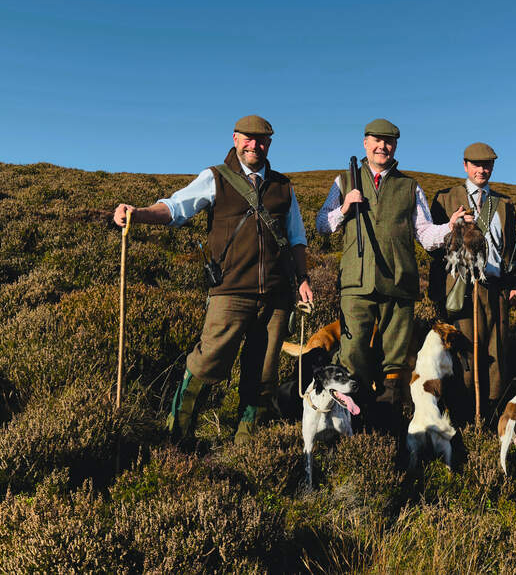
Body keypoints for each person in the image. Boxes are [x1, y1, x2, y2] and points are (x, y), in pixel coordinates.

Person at [113, 115, 313, 444]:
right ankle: (177, 438)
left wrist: (302, 278)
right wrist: (140, 213)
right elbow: (176, 208)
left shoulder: (283, 186)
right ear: (235, 139)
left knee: (264, 373)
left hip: (277, 295)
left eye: (261, 140)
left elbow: (296, 238)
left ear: (269, 144)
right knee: (207, 363)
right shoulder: (215, 177)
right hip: (231, 291)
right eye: (248, 138)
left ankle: (246, 445)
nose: (254, 145)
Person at [315, 118, 466, 434]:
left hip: (399, 284)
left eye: (389, 142)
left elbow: (425, 234)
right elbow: (322, 225)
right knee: (353, 355)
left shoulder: (410, 187)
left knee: (395, 359)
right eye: (377, 141)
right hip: (356, 284)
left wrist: (450, 227)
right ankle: (354, 425)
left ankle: (386, 428)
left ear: (395, 146)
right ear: (365, 143)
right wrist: (344, 208)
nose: (382, 146)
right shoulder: (345, 181)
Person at [429, 142, 516, 424]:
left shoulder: (504, 205)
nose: (482, 170)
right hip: (460, 290)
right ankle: (462, 417)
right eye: (476, 164)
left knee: (497, 354)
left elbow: (513, 249)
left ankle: (492, 417)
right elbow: (431, 246)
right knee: (465, 354)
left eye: (487, 165)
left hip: (496, 288)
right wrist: (453, 229)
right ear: (465, 165)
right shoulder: (445, 199)